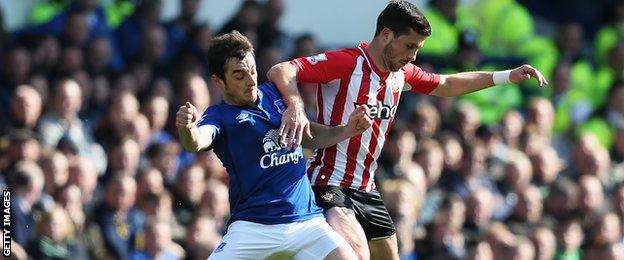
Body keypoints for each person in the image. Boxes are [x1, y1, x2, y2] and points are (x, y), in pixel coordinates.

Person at [267, 1, 548, 259]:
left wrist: (506, 76)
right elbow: (282, 70)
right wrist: (295, 106)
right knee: (356, 253)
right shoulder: (348, 62)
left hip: (366, 187)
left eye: (417, 49)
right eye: (409, 46)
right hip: (327, 181)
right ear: (386, 35)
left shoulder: (401, 75)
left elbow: (448, 84)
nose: (413, 57)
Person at [176, 31, 367, 259]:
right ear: (218, 81)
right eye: (239, 76)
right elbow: (197, 141)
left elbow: (308, 134)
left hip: (306, 222)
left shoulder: (274, 93)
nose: (251, 81)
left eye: (253, 70)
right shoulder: (219, 116)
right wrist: (188, 129)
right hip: (253, 228)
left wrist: (346, 130)